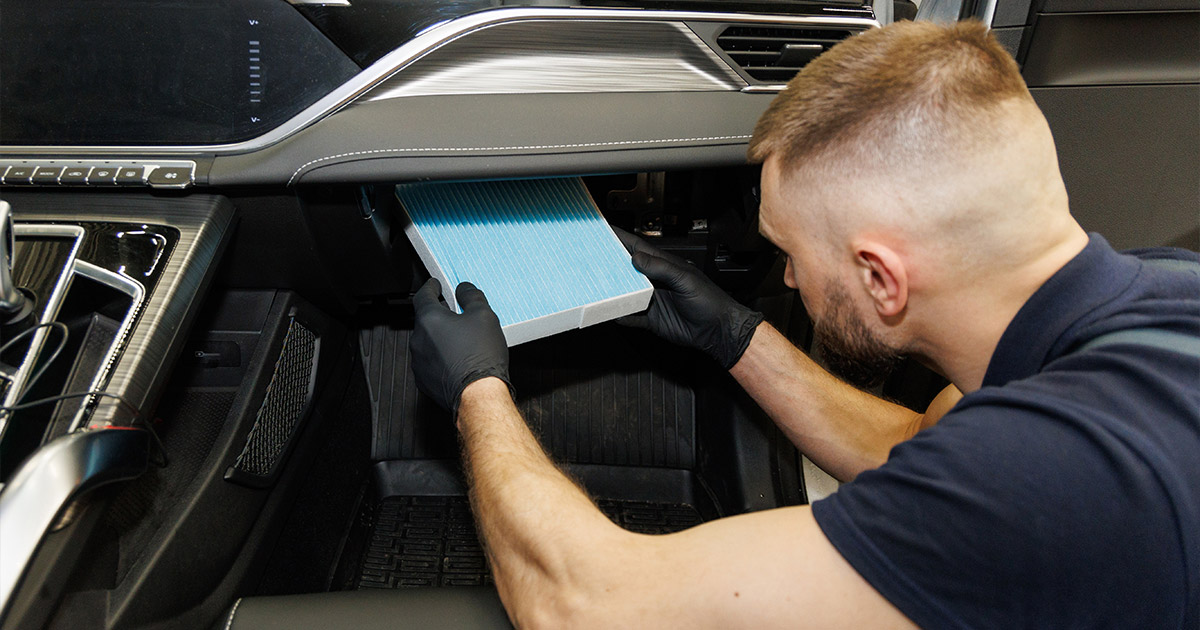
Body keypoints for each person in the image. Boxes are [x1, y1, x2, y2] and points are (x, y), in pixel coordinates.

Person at [409, 20, 1200, 629]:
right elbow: (919, 452)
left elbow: (582, 603)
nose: (784, 276)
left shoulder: (1044, 481)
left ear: (881, 277)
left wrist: (476, 390)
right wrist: (738, 337)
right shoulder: (1163, 290)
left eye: (790, 253)